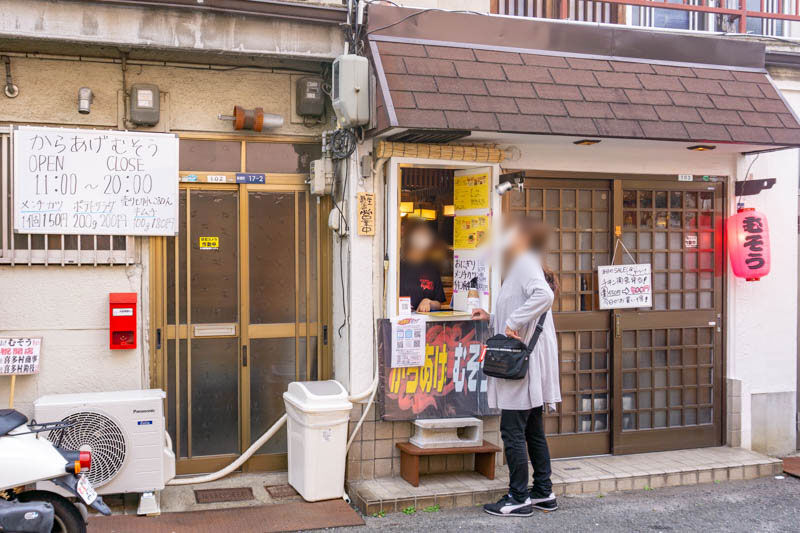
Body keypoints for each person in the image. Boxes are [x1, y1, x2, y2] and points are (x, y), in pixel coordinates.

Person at [472, 217, 561, 517]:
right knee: (533, 429)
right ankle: (543, 491)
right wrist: (492, 316)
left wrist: (511, 322)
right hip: (529, 363)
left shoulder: (524, 263)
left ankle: (518, 496)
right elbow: (521, 304)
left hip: (521, 365)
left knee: (512, 431)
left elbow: (544, 296)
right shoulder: (525, 265)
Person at [399, 221, 446, 312]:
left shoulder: (432, 269)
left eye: (426, 235)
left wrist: (428, 302)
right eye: (420, 235)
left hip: (424, 319)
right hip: (401, 318)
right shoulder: (398, 266)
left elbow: (439, 303)